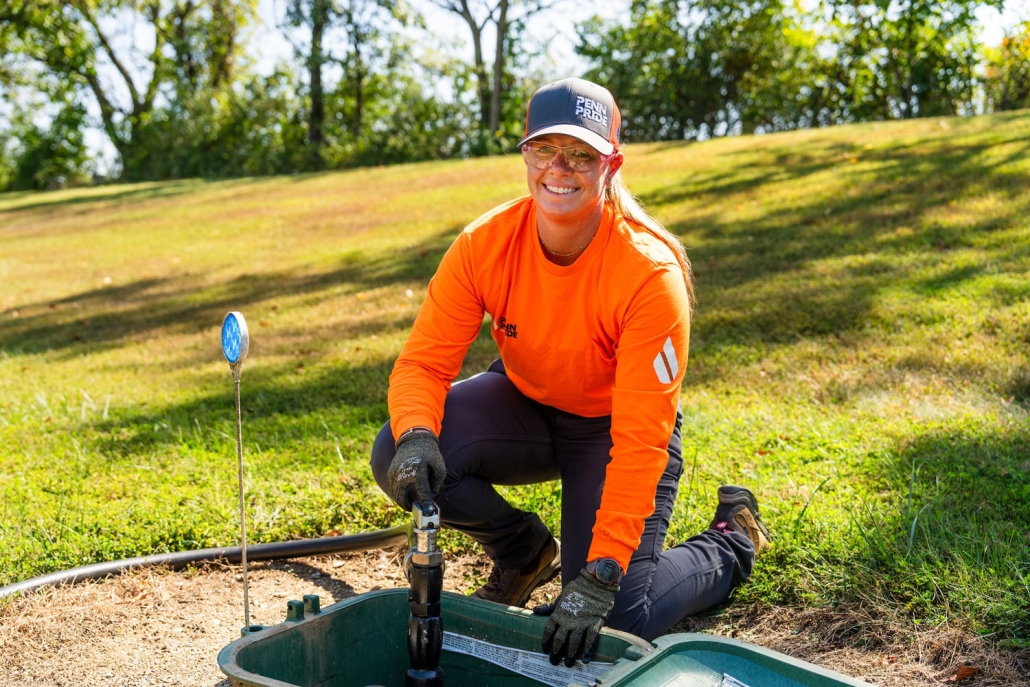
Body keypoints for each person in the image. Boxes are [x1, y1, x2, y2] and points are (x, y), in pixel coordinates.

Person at [370, 77, 770, 667]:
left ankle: (731, 540)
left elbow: (640, 440)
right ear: (526, 154)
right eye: (545, 150)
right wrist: (416, 432)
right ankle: (524, 551)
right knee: (395, 453)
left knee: (611, 624)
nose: (560, 168)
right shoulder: (484, 244)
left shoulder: (648, 273)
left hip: (612, 433)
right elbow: (424, 362)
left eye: (581, 153)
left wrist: (603, 570)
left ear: (612, 162)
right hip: (525, 403)